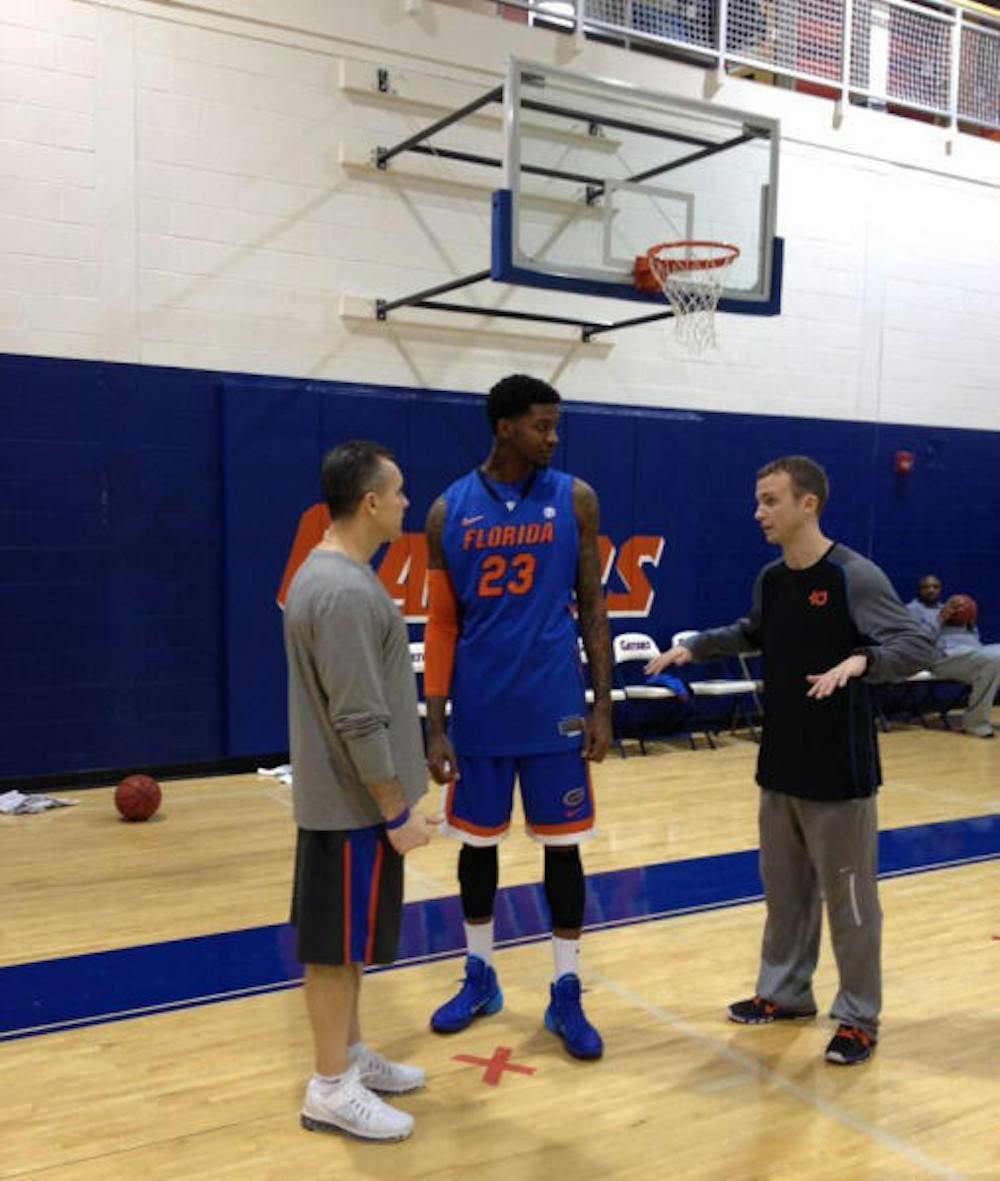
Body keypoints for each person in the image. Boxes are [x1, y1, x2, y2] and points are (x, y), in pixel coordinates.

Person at [646, 456, 935, 1066]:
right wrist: (693, 647)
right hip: (780, 764)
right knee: (786, 894)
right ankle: (785, 993)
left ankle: (858, 1015)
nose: (759, 512)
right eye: (758, 500)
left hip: (841, 774)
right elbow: (753, 632)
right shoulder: (773, 579)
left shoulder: (856, 575)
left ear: (809, 505)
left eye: (771, 500)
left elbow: (916, 643)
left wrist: (862, 662)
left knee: (851, 904)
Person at [422, 374, 613, 1060]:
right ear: (504, 427)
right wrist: (435, 722)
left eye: (556, 425)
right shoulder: (449, 511)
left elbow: (594, 605)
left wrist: (602, 705)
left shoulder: (576, 498)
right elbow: (442, 624)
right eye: (541, 425)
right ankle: (480, 975)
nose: (553, 438)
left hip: (555, 711)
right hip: (478, 715)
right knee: (477, 849)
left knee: (563, 850)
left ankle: (565, 989)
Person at [283, 440, 439, 1142]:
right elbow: (357, 716)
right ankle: (329, 1088)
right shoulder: (342, 589)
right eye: (399, 491)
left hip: (351, 806)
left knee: (346, 946)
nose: (408, 502)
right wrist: (395, 810)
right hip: (351, 808)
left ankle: (346, 1057)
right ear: (370, 502)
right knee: (331, 949)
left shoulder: (338, 577)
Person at [905, 579, 999, 739]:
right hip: (943, 657)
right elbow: (918, 641)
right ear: (919, 590)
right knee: (993, 659)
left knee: (993, 658)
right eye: (926, 587)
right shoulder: (911, 611)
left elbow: (974, 638)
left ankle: (974, 721)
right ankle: (976, 724)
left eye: (935, 587)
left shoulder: (953, 608)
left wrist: (970, 624)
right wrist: (939, 619)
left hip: (973, 653)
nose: (931, 590)